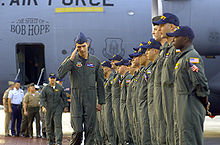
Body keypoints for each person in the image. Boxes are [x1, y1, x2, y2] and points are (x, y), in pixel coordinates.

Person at [58, 32, 105, 145]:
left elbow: (100, 83)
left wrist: (101, 102)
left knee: (90, 131)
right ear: (76, 46)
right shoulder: (72, 60)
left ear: (87, 44)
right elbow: (60, 74)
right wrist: (70, 59)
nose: (82, 49)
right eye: (79, 47)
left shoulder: (95, 61)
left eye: (83, 46)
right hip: (77, 100)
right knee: (78, 130)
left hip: (90, 99)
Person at [167, 26, 210, 145]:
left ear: (185, 39)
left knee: (190, 140)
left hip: (190, 107)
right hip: (183, 106)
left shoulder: (192, 57)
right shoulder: (182, 58)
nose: (173, 40)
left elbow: (200, 82)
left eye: (176, 37)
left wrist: (205, 103)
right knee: (183, 139)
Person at [153, 12, 180, 144]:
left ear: (172, 28)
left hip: (173, 97)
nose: (159, 29)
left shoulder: (177, 49)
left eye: (162, 25)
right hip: (164, 97)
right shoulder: (166, 50)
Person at [40, 73, 68, 145]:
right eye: (51, 78)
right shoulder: (45, 88)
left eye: (54, 78)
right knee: (49, 126)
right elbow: (42, 98)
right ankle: (51, 141)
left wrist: (65, 106)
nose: (52, 79)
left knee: (58, 125)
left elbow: (64, 97)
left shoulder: (60, 88)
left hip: (57, 108)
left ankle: (58, 142)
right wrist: (43, 106)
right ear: (49, 79)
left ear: (55, 79)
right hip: (48, 108)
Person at [146, 39, 162, 145]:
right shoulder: (153, 67)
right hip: (153, 105)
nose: (146, 53)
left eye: (148, 50)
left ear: (155, 51)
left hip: (160, 105)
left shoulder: (161, 64)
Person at [115, 59, 133, 144]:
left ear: (125, 67)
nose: (117, 68)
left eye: (119, 66)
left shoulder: (128, 78)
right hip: (123, 106)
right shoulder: (123, 78)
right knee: (123, 128)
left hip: (127, 106)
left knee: (127, 129)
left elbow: (129, 96)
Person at [102, 60, 116, 145]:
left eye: (102, 68)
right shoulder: (106, 80)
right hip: (105, 106)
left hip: (111, 106)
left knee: (110, 128)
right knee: (105, 128)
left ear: (107, 69)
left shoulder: (112, 78)